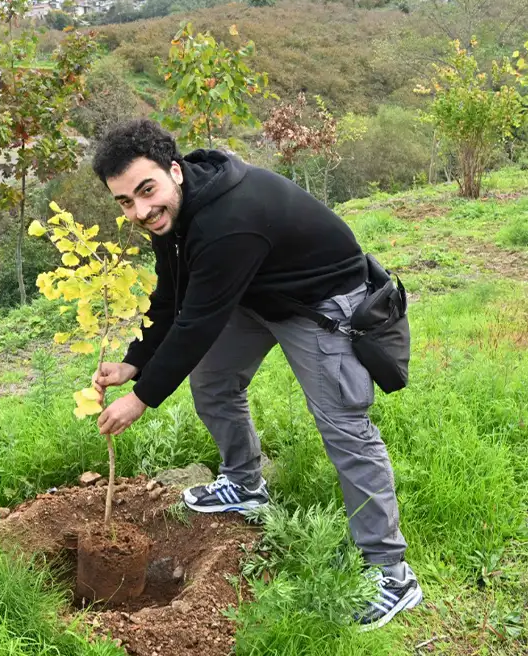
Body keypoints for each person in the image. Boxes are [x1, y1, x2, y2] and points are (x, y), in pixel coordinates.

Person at [86, 119, 422, 630]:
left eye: (146, 191)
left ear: (174, 171)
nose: (140, 210)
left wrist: (142, 397)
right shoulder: (175, 213)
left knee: (345, 428)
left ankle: (392, 573)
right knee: (213, 382)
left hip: (320, 303)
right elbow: (173, 297)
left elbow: (198, 321)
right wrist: (137, 360)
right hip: (257, 293)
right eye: (125, 202)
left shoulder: (228, 222)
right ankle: (244, 484)